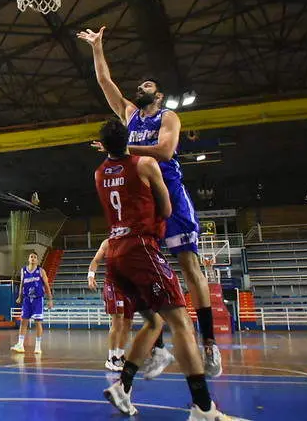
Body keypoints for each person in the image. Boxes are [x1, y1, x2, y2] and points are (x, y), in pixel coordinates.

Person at [78, 26, 222, 378]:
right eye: (139, 86)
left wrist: (125, 150)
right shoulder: (129, 115)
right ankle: (157, 349)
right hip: (144, 203)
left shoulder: (167, 117)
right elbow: (104, 82)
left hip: (171, 193)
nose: (139, 88)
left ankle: (209, 343)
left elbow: (165, 151)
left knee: (189, 267)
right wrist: (97, 47)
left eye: (146, 85)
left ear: (158, 95)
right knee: (143, 274)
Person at [93, 119, 238, 420]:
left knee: (154, 323)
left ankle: (123, 386)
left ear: (103, 146)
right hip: (140, 248)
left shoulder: (98, 173)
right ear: (130, 140)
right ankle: (203, 408)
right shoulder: (145, 163)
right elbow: (168, 208)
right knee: (182, 322)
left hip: (115, 255)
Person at [88, 238, 134, 372]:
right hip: (113, 285)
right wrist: (91, 276)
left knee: (128, 322)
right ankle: (110, 358)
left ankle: (119, 355)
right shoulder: (108, 243)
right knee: (118, 319)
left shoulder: (133, 242)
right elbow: (96, 260)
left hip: (129, 286)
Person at [11, 252, 53, 355]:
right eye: (31, 257)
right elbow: (21, 284)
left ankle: (38, 347)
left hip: (38, 299)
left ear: (37, 260)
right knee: (24, 321)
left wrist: (50, 299)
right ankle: (20, 345)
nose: (33, 258)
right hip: (26, 299)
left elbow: (47, 286)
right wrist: (20, 296)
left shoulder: (41, 271)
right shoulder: (23, 271)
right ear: (28, 259)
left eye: (35, 257)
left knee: (37, 322)